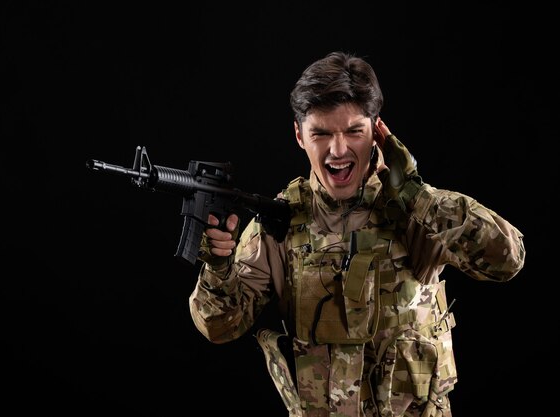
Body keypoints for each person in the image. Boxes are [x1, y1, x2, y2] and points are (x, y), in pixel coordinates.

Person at [188, 51, 525, 417]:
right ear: (300, 135)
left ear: (377, 131)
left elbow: (507, 259)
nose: (338, 150)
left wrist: (416, 195)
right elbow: (219, 326)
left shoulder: (416, 214)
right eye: (321, 133)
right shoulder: (279, 224)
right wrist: (218, 268)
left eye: (353, 132)